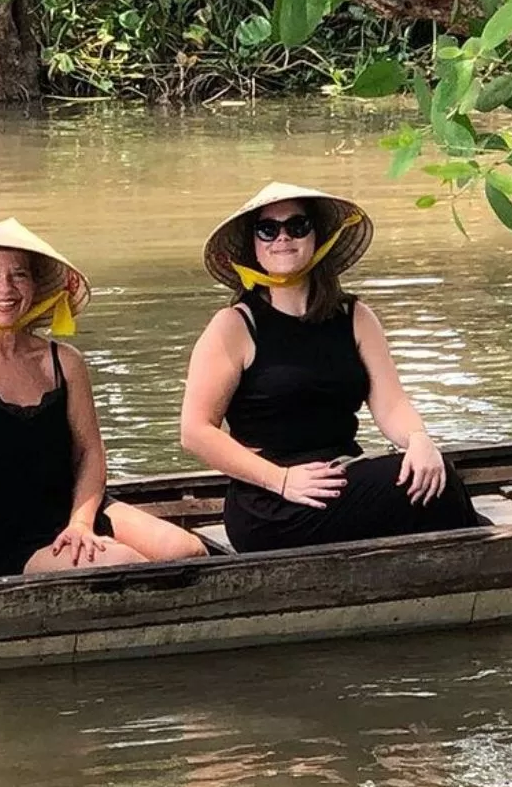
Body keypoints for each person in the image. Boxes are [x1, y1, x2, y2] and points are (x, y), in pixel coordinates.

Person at [0, 219, 205, 579]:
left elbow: (90, 452)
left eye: (18, 275)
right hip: (1, 536)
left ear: (35, 286)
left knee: (188, 551)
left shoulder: (64, 361)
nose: (5, 288)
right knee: (123, 563)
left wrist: (81, 524)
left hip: (74, 512)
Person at [178, 183, 477, 553]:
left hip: (342, 477)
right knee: (442, 490)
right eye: (268, 229)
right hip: (271, 502)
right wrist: (282, 480)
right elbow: (195, 431)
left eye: (297, 226)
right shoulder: (234, 325)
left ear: (317, 235)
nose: (282, 238)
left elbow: (391, 404)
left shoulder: (355, 317)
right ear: (253, 245)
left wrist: (419, 440)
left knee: (432, 473)